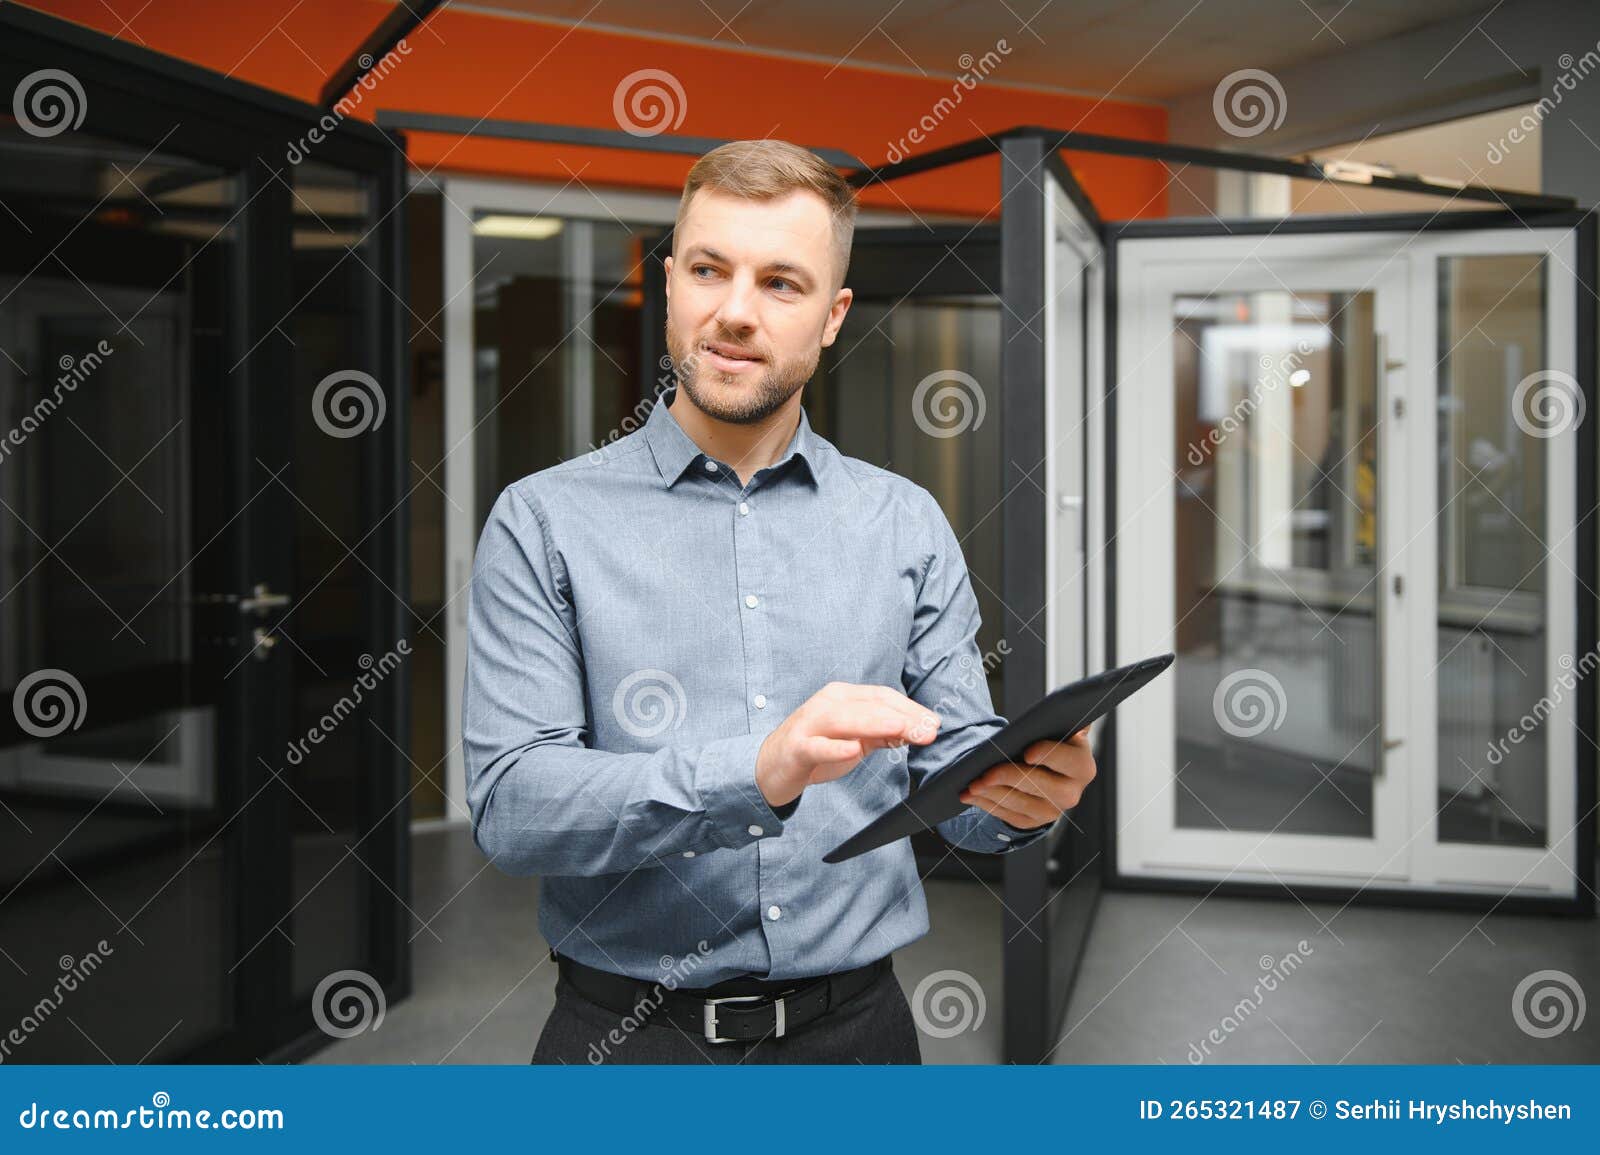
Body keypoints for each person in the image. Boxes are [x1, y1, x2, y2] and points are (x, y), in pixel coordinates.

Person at [462, 138, 1097, 1065]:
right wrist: (757, 772)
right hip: (626, 1050)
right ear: (671, 280)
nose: (734, 312)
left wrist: (1022, 797)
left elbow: (950, 778)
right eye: (710, 270)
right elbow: (514, 807)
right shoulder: (543, 519)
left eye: (781, 284)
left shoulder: (904, 521)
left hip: (860, 1043)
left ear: (834, 314)